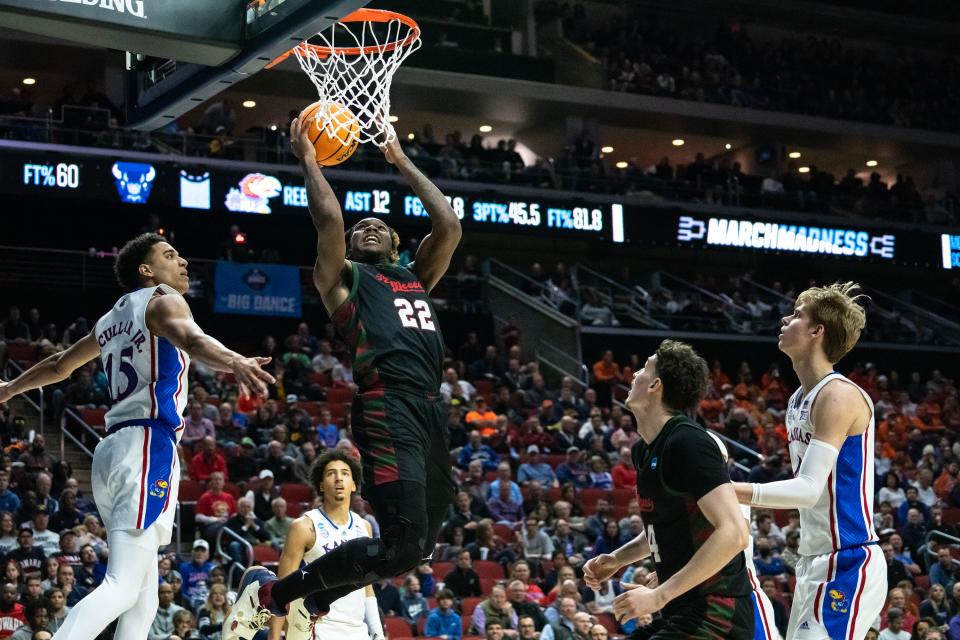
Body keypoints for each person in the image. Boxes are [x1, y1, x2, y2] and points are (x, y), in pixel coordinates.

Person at [225, 121, 462, 639]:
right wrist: (309, 159)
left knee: (418, 548)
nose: (367, 227)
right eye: (360, 229)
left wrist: (400, 159)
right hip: (387, 404)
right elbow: (329, 217)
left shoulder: (413, 276)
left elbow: (448, 224)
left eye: (379, 225)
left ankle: (318, 598)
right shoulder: (344, 279)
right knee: (400, 541)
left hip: (429, 409)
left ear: (398, 243)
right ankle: (274, 594)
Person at [0, 233, 274, 640]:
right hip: (147, 444)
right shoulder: (162, 298)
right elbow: (193, 339)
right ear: (146, 270)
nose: (181, 262)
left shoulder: (111, 320)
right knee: (122, 585)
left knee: (144, 596)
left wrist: (6, 390)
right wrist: (234, 360)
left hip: (112, 449)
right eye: (169, 255)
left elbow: (59, 365)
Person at [734, 283, 885, 640]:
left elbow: (807, 489)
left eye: (798, 314)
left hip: (848, 558)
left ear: (818, 331)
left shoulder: (838, 395)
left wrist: (724, 490)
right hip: (812, 560)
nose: (786, 319)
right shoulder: (798, 399)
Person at [582, 340, 753, 638]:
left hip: (716, 615)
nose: (634, 374)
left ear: (655, 385)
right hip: (683, 611)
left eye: (644, 369)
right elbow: (666, 526)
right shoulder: (644, 451)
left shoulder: (688, 442)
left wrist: (658, 596)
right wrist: (617, 559)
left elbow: (735, 532)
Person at [266, 450, 383, 640]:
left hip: (357, 631)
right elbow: (281, 589)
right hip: (318, 629)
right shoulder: (304, 526)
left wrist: (377, 631)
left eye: (345, 473)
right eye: (331, 473)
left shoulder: (365, 526)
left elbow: (367, 587)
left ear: (354, 484)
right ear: (321, 485)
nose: (338, 479)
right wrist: (274, 636)